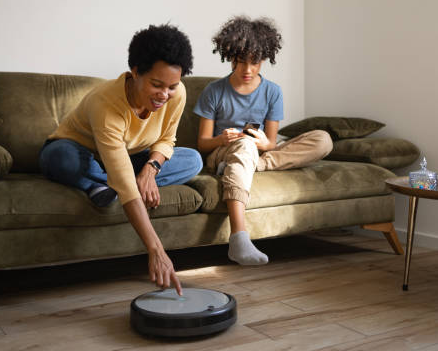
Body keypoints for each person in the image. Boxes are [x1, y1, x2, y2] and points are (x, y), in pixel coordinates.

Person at [39, 24, 203, 294]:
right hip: (82, 154)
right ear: (135, 72)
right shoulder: (106, 104)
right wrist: (156, 249)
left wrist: (150, 169)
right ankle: (111, 182)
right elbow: (113, 167)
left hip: (132, 157)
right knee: (59, 158)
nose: (164, 95)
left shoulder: (178, 94)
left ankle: (103, 187)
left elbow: (166, 139)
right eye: (156, 84)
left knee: (193, 160)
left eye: (172, 86)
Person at [193, 16, 332, 265]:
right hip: (221, 152)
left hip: (260, 154)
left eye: (254, 62)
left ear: (264, 58)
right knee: (244, 146)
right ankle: (238, 238)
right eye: (240, 62)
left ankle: (243, 166)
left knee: (323, 140)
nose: (247, 70)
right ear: (230, 57)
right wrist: (221, 139)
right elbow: (202, 143)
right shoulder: (214, 91)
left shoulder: (272, 91)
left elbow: (272, 143)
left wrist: (264, 143)